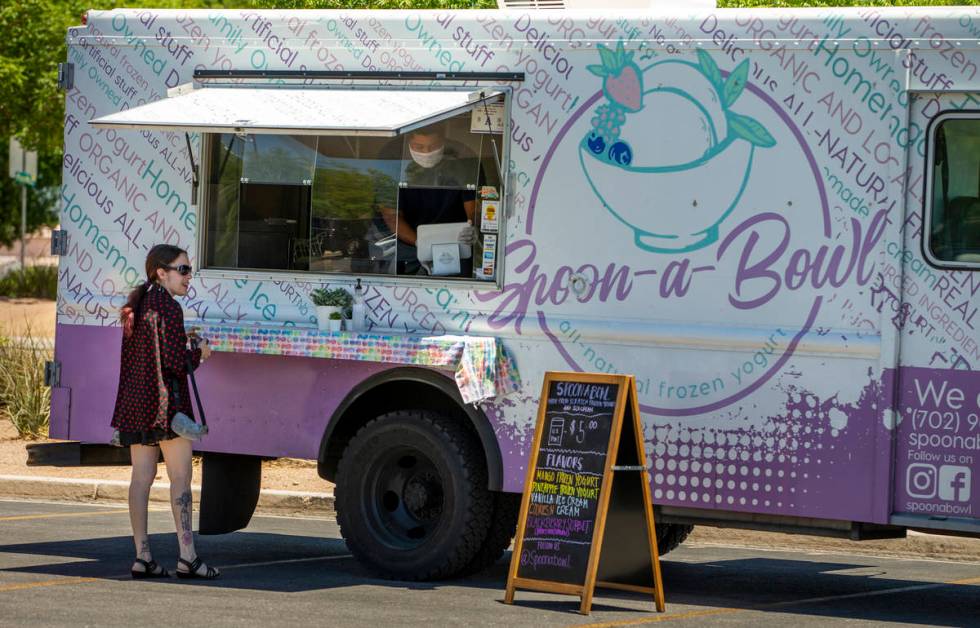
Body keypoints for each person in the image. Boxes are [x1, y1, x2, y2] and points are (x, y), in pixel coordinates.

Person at [111, 244, 220, 580]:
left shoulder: (138, 304)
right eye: (183, 270)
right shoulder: (170, 309)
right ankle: (187, 555)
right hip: (169, 409)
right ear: (162, 272)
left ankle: (142, 556)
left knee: (141, 479)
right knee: (181, 480)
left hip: (135, 407)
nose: (189, 277)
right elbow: (174, 365)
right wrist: (200, 352)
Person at [380, 123, 477, 275]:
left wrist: (472, 228)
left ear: (443, 141)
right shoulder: (392, 161)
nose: (426, 152)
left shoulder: (464, 159)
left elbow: (475, 209)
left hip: (457, 246)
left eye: (433, 146)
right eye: (419, 147)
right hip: (409, 248)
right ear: (408, 143)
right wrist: (421, 244)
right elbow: (392, 216)